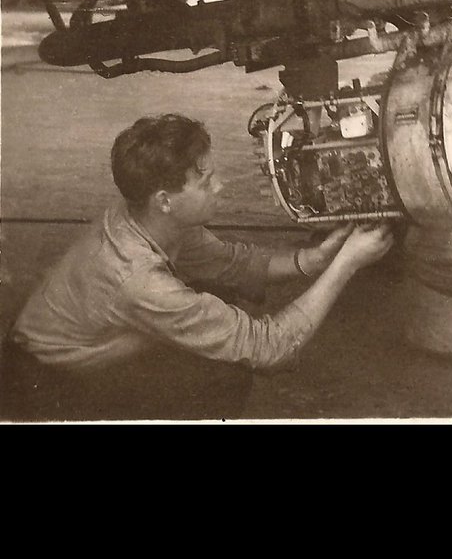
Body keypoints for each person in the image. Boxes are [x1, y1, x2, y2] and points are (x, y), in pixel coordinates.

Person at [2, 113, 393, 422]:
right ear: (165, 200)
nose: (221, 186)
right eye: (205, 181)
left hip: (83, 344)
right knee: (222, 374)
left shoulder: (149, 218)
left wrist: (315, 259)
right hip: (44, 383)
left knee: (220, 297)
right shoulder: (136, 277)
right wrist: (347, 265)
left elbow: (231, 263)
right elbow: (269, 348)